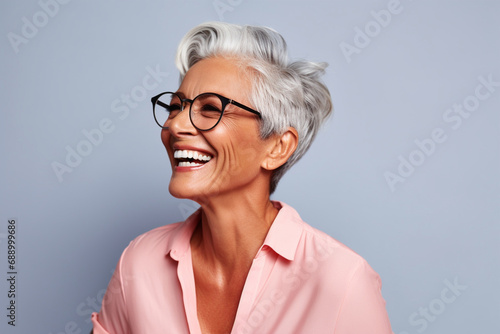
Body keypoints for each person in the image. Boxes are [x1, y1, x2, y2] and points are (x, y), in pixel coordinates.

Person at [91, 21, 392, 334]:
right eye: (176, 107)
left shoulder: (341, 281)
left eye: (210, 109)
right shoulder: (140, 263)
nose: (177, 126)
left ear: (277, 147)